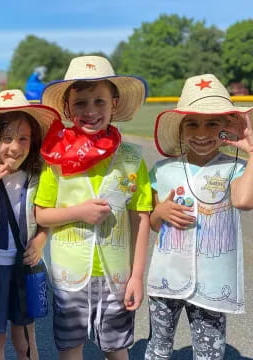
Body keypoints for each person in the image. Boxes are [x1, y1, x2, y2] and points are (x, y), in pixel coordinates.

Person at [35, 56, 152, 360]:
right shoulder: (55, 159)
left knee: (116, 347)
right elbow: (41, 214)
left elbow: (141, 218)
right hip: (69, 275)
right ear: (67, 107)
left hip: (117, 276)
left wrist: (138, 275)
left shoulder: (131, 158)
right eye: (81, 102)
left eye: (99, 101)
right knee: (71, 347)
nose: (90, 111)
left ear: (114, 104)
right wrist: (77, 212)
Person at [145, 74, 253, 360]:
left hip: (213, 283)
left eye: (212, 123)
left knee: (209, 354)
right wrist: (159, 212)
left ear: (226, 129)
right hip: (166, 277)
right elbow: (154, 224)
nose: (202, 132)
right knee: (158, 346)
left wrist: (252, 150)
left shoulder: (237, 167)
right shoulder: (162, 170)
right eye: (192, 123)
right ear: (180, 130)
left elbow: (244, 200)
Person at [0, 89, 59, 360]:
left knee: (26, 344)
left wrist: (40, 240)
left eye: (23, 138)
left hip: (24, 271)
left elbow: (44, 218)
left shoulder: (39, 178)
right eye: (6, 138)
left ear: (33, 142)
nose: (14, 147)